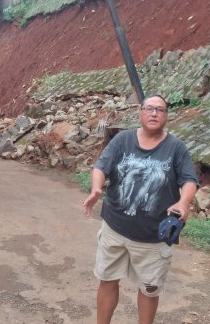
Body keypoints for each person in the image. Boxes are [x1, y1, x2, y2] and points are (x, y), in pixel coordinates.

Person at [82, 94, 199, 324]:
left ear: (166, 116)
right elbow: (101, 167)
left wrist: (183, 202)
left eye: (160, 110)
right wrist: (96, 189)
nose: (154, 113)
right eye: (149, 108)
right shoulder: (123, 139)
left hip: (152, 237)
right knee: (107, 280)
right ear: (141, 112)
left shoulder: (176, 148)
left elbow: (189, 180)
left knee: (149, 289)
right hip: (114, 228)